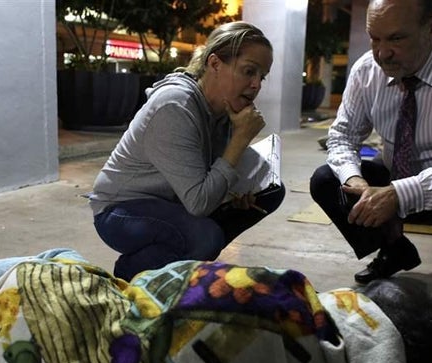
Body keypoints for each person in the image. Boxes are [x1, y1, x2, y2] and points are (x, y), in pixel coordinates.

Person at [309, 0, 432, 309]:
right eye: (374, 38)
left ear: (431, 27)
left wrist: (398, 196)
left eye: (396, 38)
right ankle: (394, 249)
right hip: (396, 172)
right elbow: (342, 136)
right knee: (328, 181)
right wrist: (358, 183)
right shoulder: (368, 69)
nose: (382, 52)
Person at [89, 21, 285, 281]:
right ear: (215, 64)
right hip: (121, 211)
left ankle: (187, 259)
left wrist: (235, 193)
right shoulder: (175, 106)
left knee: (270, 192)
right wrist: (240, 138)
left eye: (262, 76)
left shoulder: (224, 110)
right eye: (249, 71)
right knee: (205, 235)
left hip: (173, 202)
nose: (256, 84)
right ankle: (130, 274)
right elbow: (199, 202)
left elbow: (209, 175)